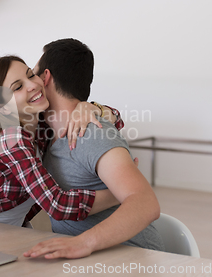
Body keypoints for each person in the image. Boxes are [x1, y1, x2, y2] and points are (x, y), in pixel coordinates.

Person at [0, 55, 124, 227]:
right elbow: (57, 205)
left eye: (31, 75)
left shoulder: (41, 126)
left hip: (5, 232)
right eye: (17, 87)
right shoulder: (12, 138)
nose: (33, 85)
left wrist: (91, 108)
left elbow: (117, 119)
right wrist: (122, 193)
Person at [22, 38, 164, 259]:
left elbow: (146, 203)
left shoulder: (91, 133)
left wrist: (83, 243)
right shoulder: (45, 134)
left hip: (133, 262)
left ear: (45, 77)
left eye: (32, 74)